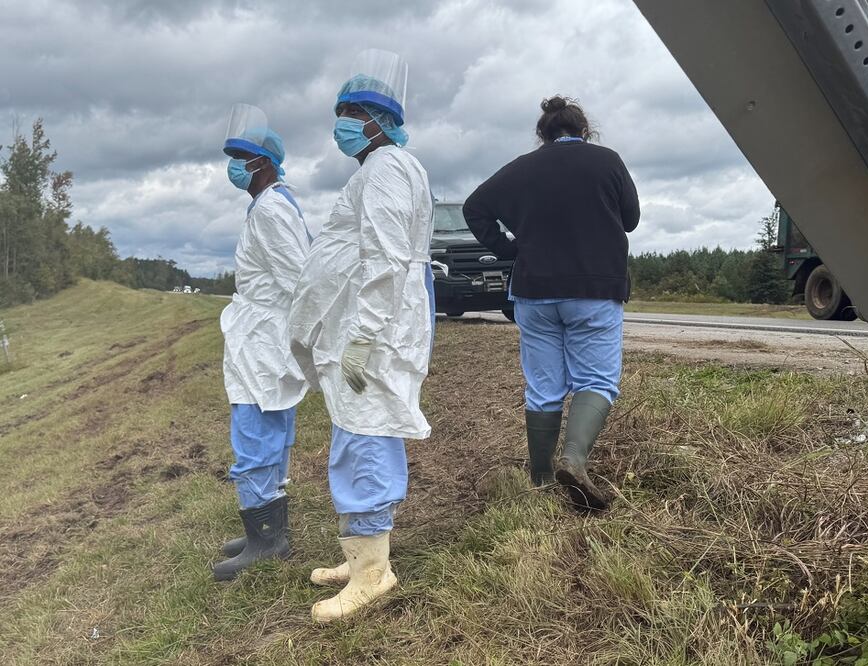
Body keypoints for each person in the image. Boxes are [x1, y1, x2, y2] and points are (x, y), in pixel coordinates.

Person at [288, 49, 435, 623]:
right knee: (359, 432)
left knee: (364, 436)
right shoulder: (379, 170)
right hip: (366, 326)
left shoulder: (388, 169)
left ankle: (374, 574)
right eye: (340, 110)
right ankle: (364, 555)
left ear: (380, 120)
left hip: (375, 329)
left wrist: (367, 336)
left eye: (353, 111)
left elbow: (386, 258)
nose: (342, 121)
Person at [463, 96, 640, 511]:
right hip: (594, 288)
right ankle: (574, 460)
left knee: (543, 389)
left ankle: (541, 480)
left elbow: (475, 207)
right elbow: (630, 219)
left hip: (534, 291)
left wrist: (506, 248)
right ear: (584, 131)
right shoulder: (607, 160)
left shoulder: (521, 168)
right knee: (596, 381)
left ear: (542, 135)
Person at [213, 104, 313, 581]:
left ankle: (266, 538)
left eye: (242, 155)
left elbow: (298, 278)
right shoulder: (269, 206)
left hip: (264, 339)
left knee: (254, 432)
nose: (234, 164)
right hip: (262, 335)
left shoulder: (272, 209)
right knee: (267, 429)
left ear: (264, 163)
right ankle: (267, 527)